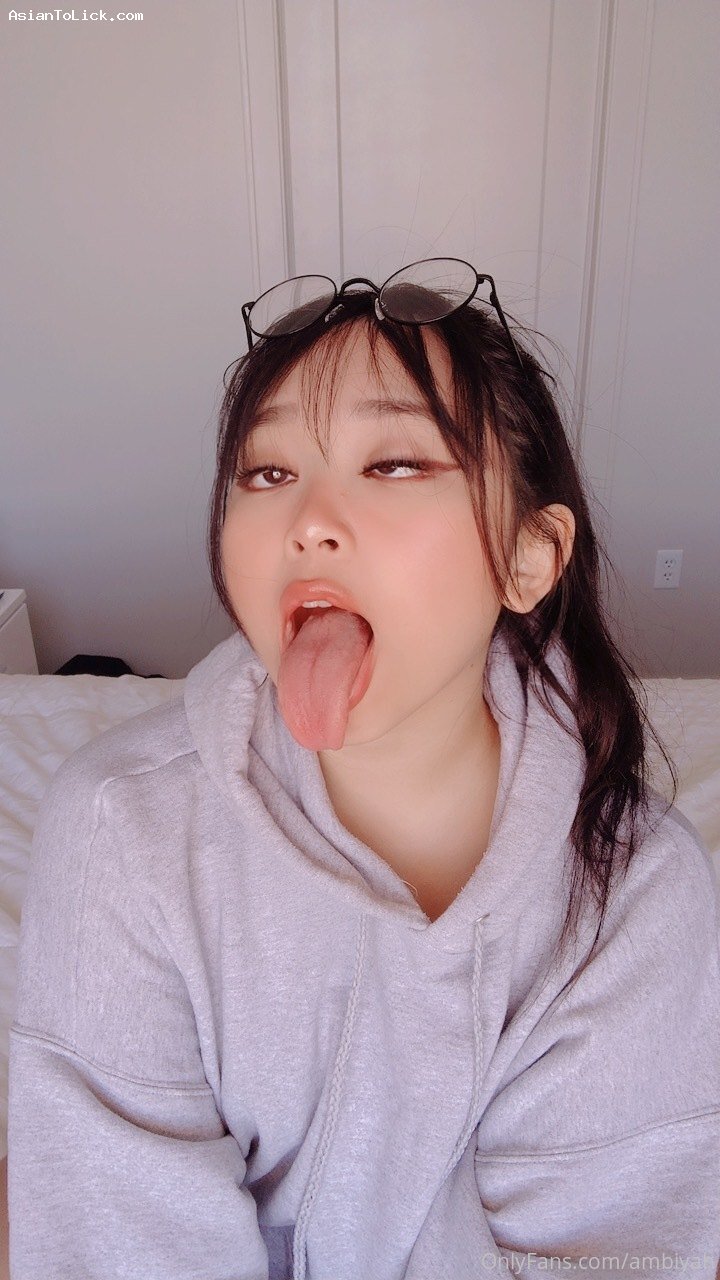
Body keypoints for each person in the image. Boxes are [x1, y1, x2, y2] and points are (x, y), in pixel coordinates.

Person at [7, 260, 720, 1277]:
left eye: (393, 464)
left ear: (529, 556)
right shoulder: (122, 830)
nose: (307, 519)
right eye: (267, 473)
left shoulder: (637, 889)